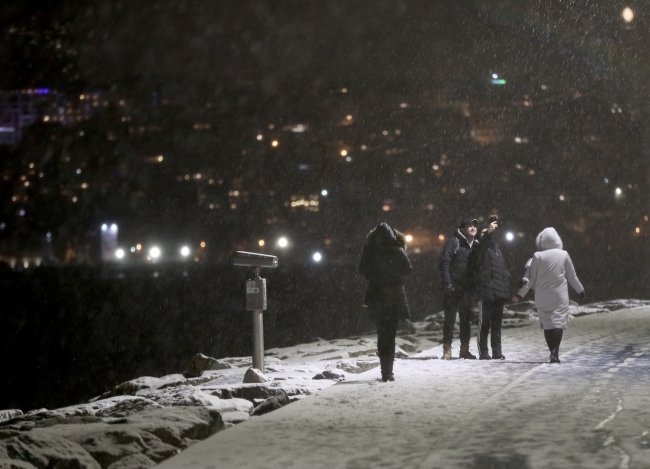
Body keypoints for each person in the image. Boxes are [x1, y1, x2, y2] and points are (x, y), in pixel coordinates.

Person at [512, 227, 585, 363]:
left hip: (542, 296)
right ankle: (555, 352)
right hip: (559, 295)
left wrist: (520, 295)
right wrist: (580, 290)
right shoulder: (564, 254)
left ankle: (551, 350)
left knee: (547, 323)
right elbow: (572, 276)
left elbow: (531, 279)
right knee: (558, 322)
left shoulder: (537, 256)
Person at [359, 223, 413, 381]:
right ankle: (389, 371)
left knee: (381, 334)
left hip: (376, 296)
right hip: (394, 296)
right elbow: (408, 270)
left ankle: (384, 371)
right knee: (391, 334)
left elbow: (362, 271)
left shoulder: (369, 251)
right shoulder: (397, 249)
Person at [467, 220, 511, 360]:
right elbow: (479, 254)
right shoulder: (477, 248)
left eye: (488, 232)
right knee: (484, 324)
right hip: (485, 292)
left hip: (498, 292)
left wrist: (506, 286)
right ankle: (484, 353)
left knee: (497, 325)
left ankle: (497, 352)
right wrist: (489, 233)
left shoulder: (496, 249)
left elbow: (502, 271)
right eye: (483, 232)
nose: (487, 234)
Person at [438, 217, 479, 360]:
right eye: (469, 226)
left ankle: (464, 350)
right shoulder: (453, 242)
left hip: (467, 288)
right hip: (453, 287)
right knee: (449, 319)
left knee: (465, 319)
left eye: (475, 225)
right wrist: (447, 283)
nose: (473, 228)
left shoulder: (476, 244)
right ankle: (447, 350)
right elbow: (444, 263)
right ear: (462, 229)